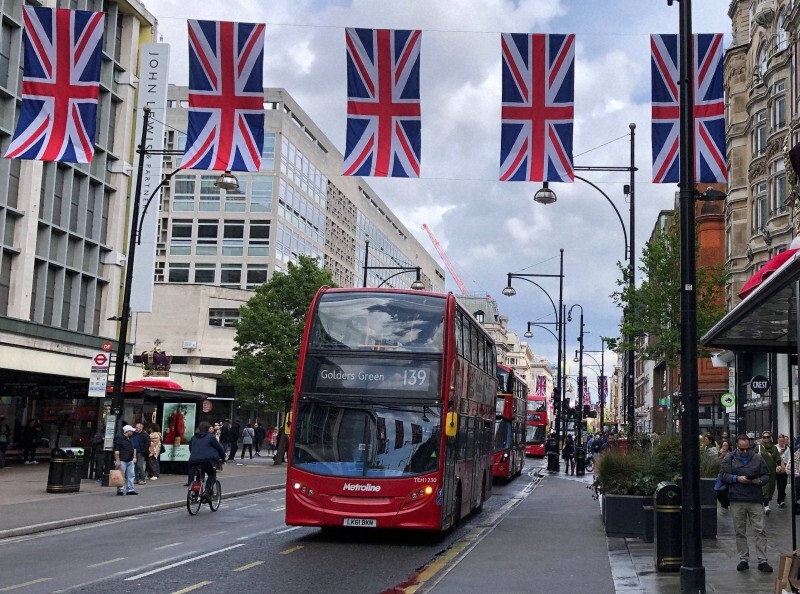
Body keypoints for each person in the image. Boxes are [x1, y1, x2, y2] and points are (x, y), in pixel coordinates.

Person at [719, 434, 771, 573]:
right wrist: (737, 478)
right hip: (737, 498)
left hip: (754, 498)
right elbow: (723, 475)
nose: (744, 452)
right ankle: (743, 559)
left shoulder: (758, 458)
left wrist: (759, 481)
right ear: (737, 447)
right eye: (741, 449)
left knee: (760, 530)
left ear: (751, 446)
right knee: (740, 531)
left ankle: (763, 560)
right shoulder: (729, 458)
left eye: (747, 449)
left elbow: (767, 475)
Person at [187, 421, 226, 496]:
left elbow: (191, 449)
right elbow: (219, 449)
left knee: (199, 475)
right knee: (211, 475)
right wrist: (223, 458)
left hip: (194, 460)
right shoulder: (211, 437)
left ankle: (196, 493)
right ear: (208, 429)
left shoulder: (193, 438)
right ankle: (207, 492)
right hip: (207, 460)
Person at [755, 431, 781, 514]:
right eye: (764, 437)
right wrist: (757, 456)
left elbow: (777, 458)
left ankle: (765, 501)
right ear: (762, 438)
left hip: (772, 471)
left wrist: (779, 465)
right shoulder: (759, 447)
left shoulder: (774, 448)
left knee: (771, 487)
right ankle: (766, 506)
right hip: (762, 471)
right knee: (765, 487)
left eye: (768, 437)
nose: (766, 439)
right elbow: (752, 457)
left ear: (770, 438)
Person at [113, 425, 138, 496]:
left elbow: (133, 449)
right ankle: (120, 490)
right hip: (123, 459)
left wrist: (134, 457)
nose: (132, 432)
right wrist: (117, 460)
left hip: (130, 459)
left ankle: (130, 489)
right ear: (127, 431)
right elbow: (117, 451)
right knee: (121, 475)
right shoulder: (120, 439)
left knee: (131, 475)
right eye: (131, 431)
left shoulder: (130, 439)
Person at [775, 434, 791, 508]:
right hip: (778, 466)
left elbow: (789, 458)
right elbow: (773, 457)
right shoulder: (775, 447)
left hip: (785, 466)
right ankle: (780, 500)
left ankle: (782, 496)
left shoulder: (787, 448)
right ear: (778, 440)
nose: (782, 442)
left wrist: (787, 467)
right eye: (780, 440)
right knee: (780, 483)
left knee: (784, 483)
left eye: (783, 440)